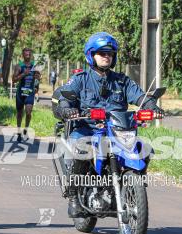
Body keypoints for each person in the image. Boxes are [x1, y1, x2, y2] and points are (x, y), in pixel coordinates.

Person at [53, 32, 163, 218]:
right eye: (102, 53)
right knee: (82, 149)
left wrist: (152, 106)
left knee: (144, 149)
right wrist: (67, 109)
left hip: (118, 132)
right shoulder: (80, 79)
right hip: (87, 129)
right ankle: (74, 198)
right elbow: (64, 96)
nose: (106, 56)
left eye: (110, 53)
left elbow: (140, 97)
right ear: (91, 55)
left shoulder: (123, 81)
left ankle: (132, 188)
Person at [12, 47, 39, 141]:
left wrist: (37, 86)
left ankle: (26, 129)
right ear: (23, 55)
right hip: (20, 93)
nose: (28, 55)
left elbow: (37, 77)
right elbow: (14, 80)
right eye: (26, 54)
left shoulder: (34, 66)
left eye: (29, 54)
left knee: (28, 112)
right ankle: (19, 131)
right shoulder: (18, 66)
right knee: (19, 113)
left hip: (30, 93)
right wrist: (23, 74)